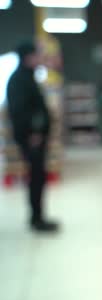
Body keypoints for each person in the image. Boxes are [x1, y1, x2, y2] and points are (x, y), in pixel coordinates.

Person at [6, 41, 59, 232]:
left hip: (35, 138)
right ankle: (37, 219)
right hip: (32, 139)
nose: (40, 59)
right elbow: (22, 112)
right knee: (36, 177)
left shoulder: (26, 77)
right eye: (37, 55)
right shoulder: (20, 80)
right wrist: (34, 133)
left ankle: (38, 216)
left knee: (38, 177)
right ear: (28, 57)